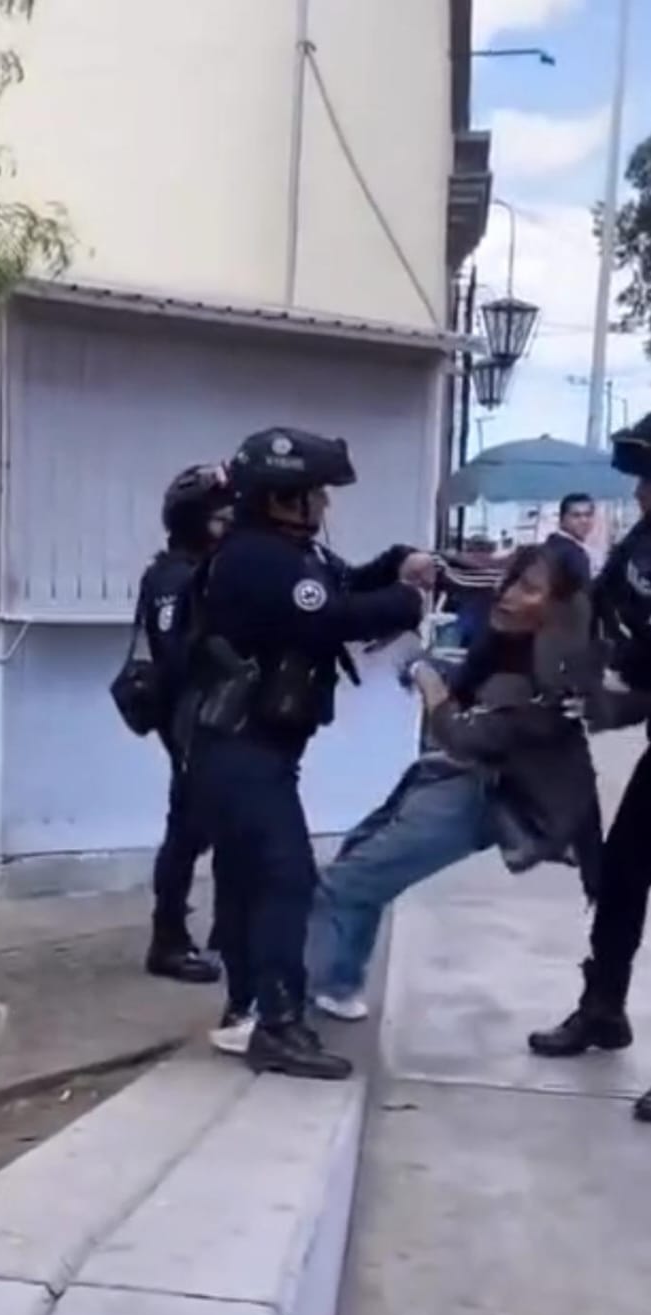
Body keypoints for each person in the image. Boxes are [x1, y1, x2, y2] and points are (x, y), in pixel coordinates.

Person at [181, 426, 432, 1080]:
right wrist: (406, 600)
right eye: (315, 492)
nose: (324, 503)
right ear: (280, 498)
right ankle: (278, 1024)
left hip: (247, 751)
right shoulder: (255, 559)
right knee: (284, 878)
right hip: (240, 751)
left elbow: (340, 586)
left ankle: (248, 1007)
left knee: (248, 880)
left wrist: (396, 562)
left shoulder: (288, 553)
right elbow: (327, 618)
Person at [305, 546, 600, 1021]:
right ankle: (335, 985)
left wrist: (425, 675)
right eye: (511, 580)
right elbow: (462, 579)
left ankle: (291, 1004)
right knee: (358, 858)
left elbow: (461, 734)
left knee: (348, 881)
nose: (508, 594)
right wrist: (417, 566)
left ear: (560, 608)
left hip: (479, 791)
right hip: (453, 773)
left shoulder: (552, 684)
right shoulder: (507, 638)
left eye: (529, 588)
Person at [529, 415, 651, 1108]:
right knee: (622, 873)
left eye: (649, 480)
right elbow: (600, 608)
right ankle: (602, 1005)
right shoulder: (641, 542)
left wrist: (624, 695)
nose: (639, 493)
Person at [138, 465, 233, 984]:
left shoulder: (190, 569)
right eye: (221, 517)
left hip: (198, 717)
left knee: (206, 827)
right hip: (193, 719)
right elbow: (176, 656)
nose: (230, 524)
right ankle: (169, 940)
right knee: (189, 831)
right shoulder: (178, 577)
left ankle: (215, 934)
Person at [546, 492, 596, 587]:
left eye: (588, 515)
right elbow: (583, 592)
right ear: (562, 519)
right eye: (576, 516)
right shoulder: (572, 554)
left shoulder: (552, 543)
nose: (584, 521)